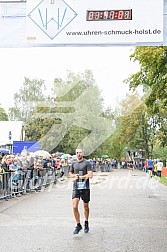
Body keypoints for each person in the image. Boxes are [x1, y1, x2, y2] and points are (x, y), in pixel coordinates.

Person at [69, 148, 93, 235]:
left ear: (83, 153)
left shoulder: (87, 163)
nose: (78, 154)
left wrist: (80, 177)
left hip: (85, 187)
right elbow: (70, 173)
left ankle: (86, 222)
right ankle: (78, 225)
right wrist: (73, 176)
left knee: (85, 206)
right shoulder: (74, 163)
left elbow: (90, 175)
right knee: (74, 206)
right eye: (77, 153)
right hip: (76, 187)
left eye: (80, 152)